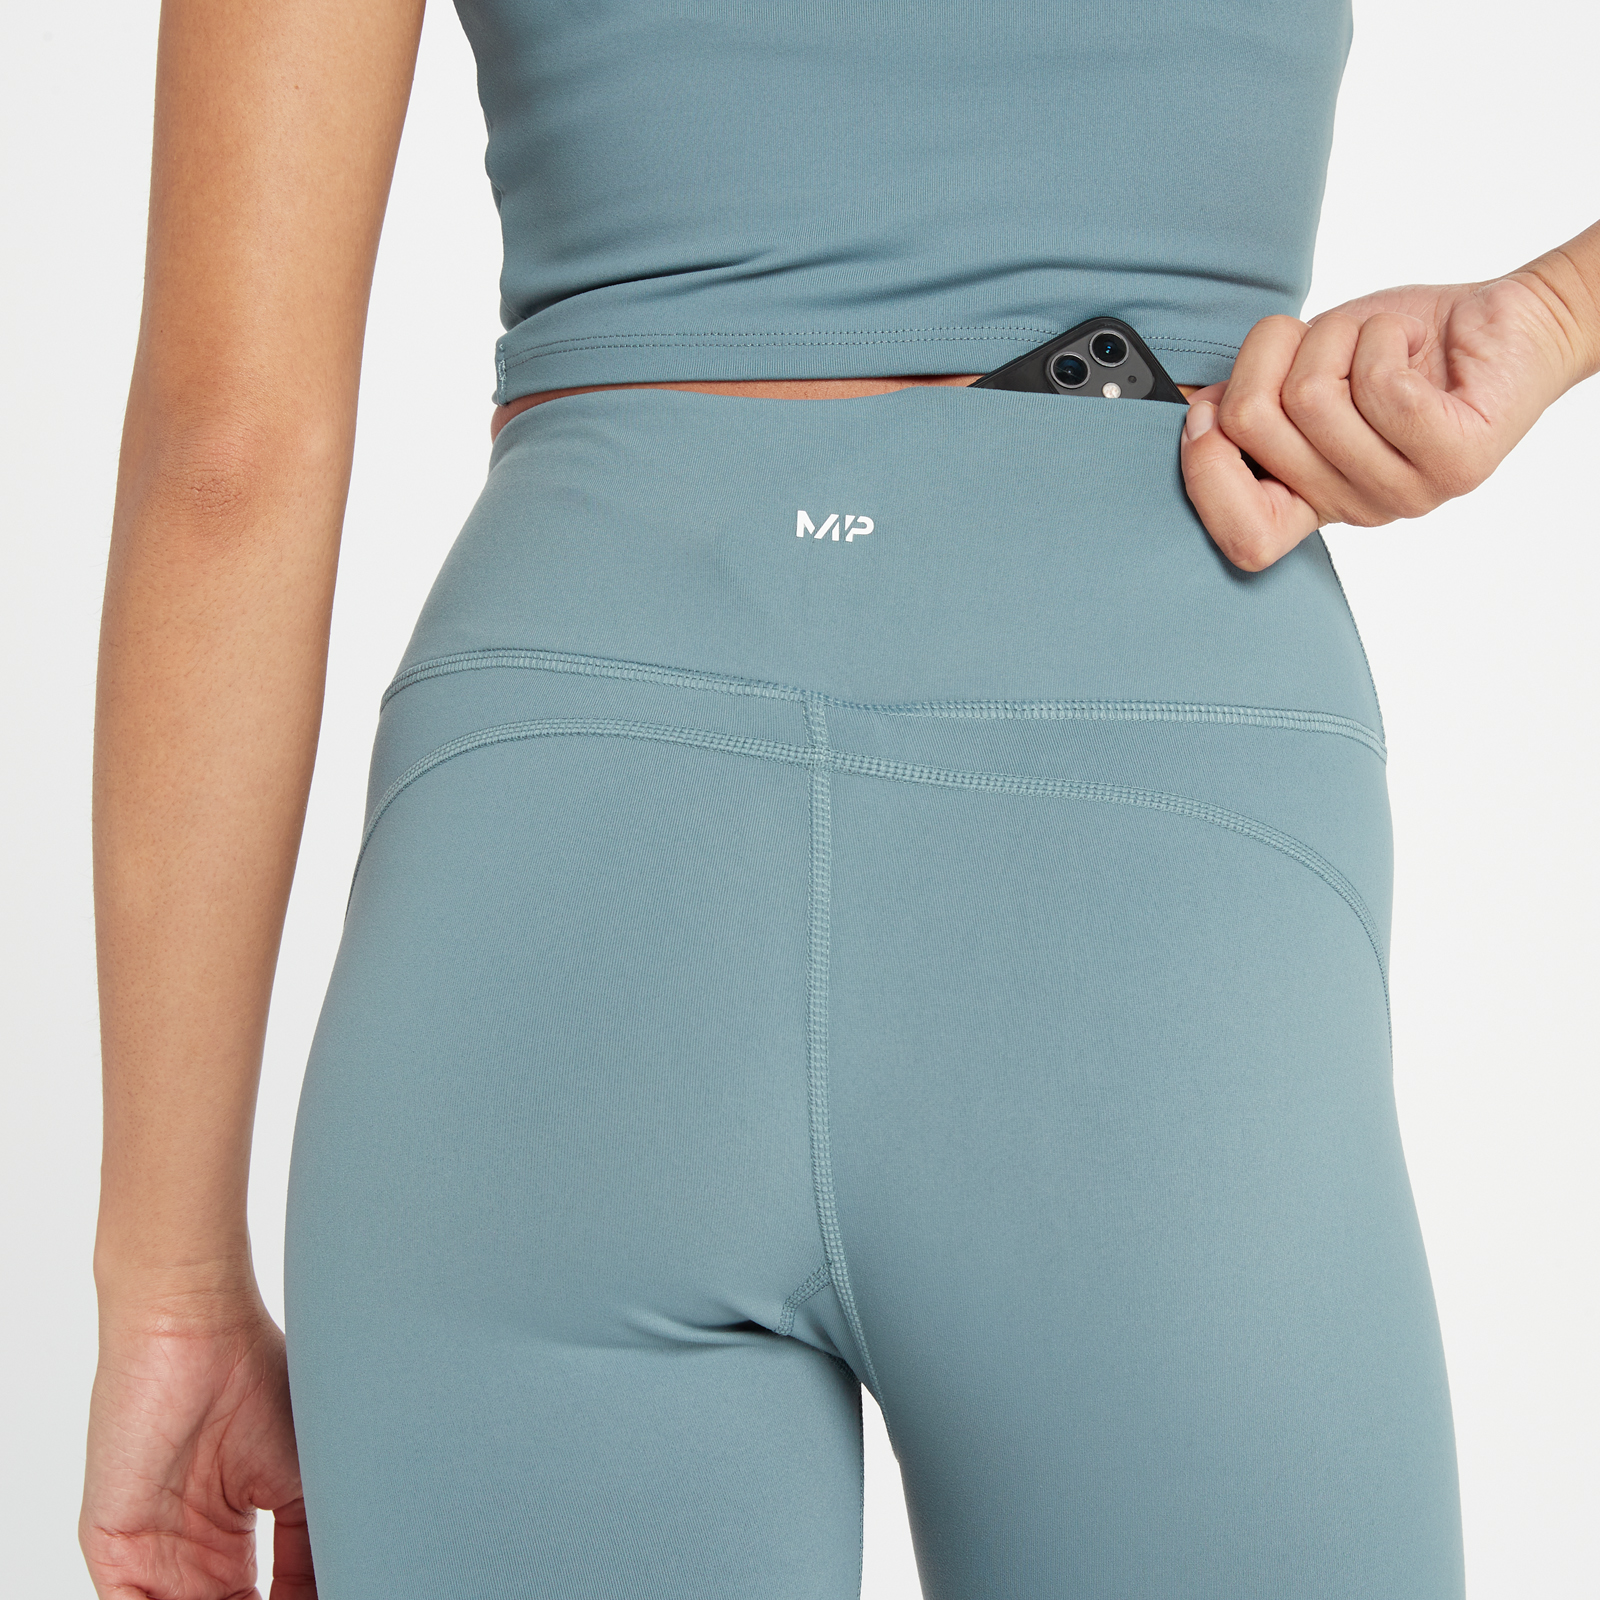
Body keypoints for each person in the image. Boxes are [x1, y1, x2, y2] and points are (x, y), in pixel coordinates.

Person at [80, 0, 1598, 1595]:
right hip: (1160, 870)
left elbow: (228, 453)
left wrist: (173, 1295)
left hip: (560, 869)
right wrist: (1555, 317)